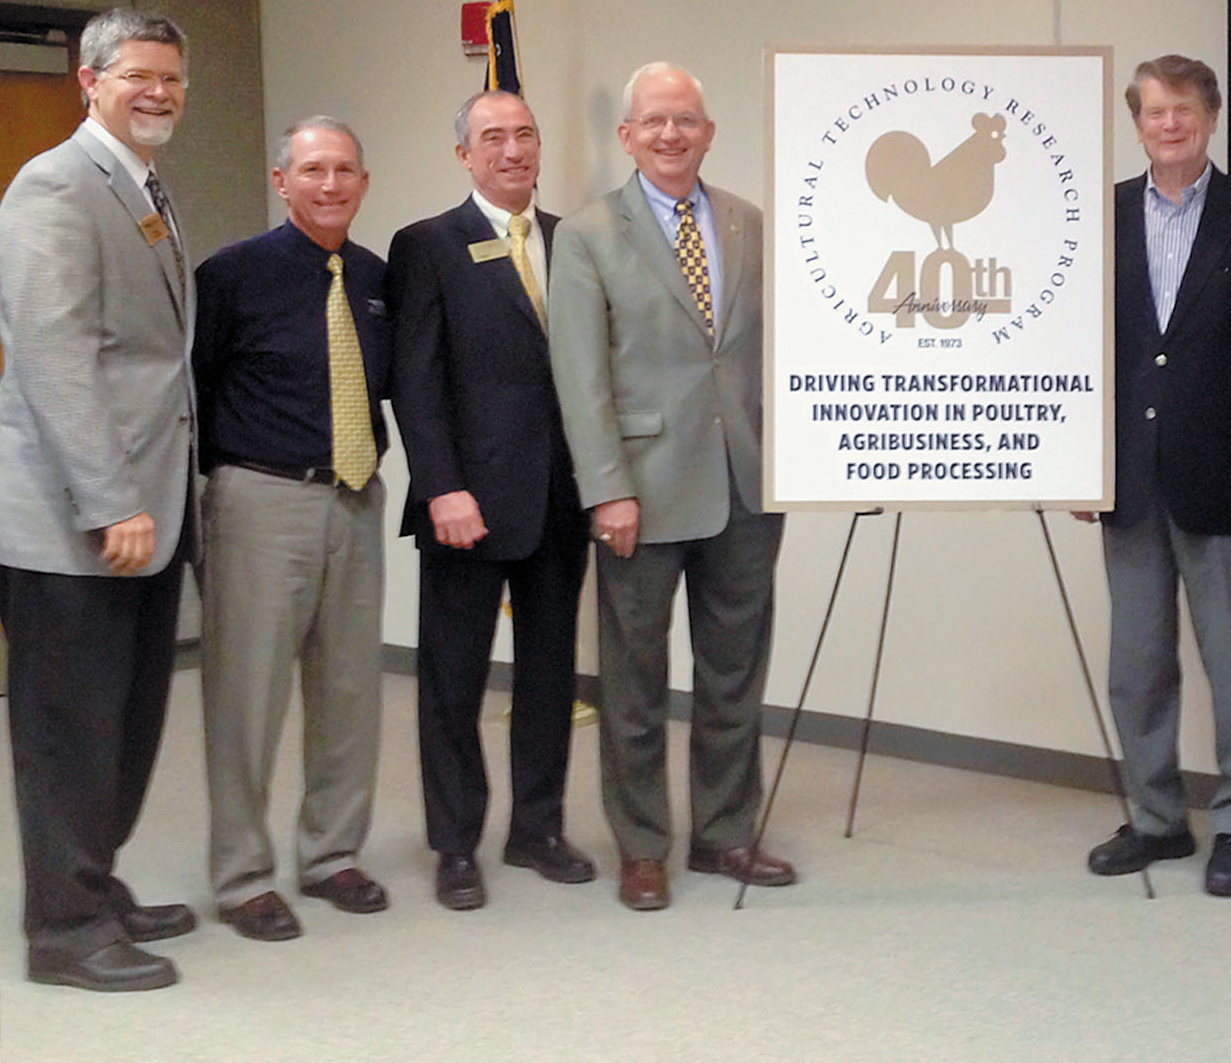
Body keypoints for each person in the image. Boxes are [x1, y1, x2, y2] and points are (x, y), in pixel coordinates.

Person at [547, 62, 794, 911]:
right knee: (635, 683)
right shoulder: (585, 235)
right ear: (627, 136)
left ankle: (724, 831)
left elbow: (774, 358)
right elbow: (580, 378)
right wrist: (605, 488)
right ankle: (642, 845)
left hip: (745, 486)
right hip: (641, 494)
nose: (669, 135)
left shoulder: (750, 224)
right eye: (653, 121)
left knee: (733, 676)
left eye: (685, 119)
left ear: (708, 130)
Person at [0, 7, 197, 991]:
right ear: (88, 79)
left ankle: (94, 881)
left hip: (145, 504)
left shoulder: (143, 185)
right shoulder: (54, 187)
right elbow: (54, 358)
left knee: (125, 721)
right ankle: (63, 929)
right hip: (76, 517)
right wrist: (109, 497)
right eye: (138, 76)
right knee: (68, 728)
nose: (158, 92)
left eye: (172, 78)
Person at [1078, 55, 1231, 897]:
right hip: (1129, 481)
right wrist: (1078, 462)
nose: (1168, 124)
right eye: (1153, 111)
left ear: (1210, 117)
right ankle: (1155, 818)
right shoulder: (1101, 214)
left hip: (1228, 480)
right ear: (1136, 124)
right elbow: (1082, 351)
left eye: (1183, 110)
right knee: (1136, 664)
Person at [388, 91, 595, 910]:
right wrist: (442, 485)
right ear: (465, 155)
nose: (512, 149)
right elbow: (415, 377)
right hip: (465, 505)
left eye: (525, 134)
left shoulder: (568, 241)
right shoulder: (429, 244)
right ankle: (455, 843)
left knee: (549, 675)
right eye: (492, 137)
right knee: (453, 681)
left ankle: (537, 829)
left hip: (559, 500)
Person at [193, 117, 392, 941]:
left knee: (349, 692)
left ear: (364, 181)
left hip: (355, 497)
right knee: (247, 694)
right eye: (313, 169)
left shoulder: (380, 279)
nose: (331, 184)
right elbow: (194, 389)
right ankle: (242, 874)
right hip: (261, 500)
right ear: (283, 181)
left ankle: (332, 854)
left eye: (345, 168)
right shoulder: (232, 274)